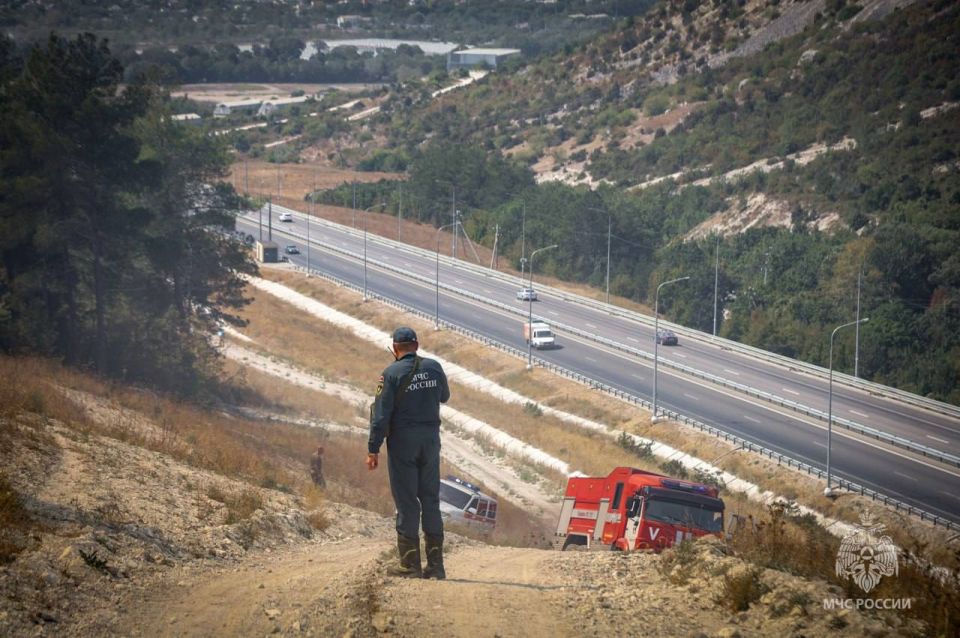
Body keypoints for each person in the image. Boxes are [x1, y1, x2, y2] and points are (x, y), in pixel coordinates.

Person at [367, 327, 450, 579]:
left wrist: (373, 449)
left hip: (403, 443)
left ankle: (409, 565)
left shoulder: (390, 374)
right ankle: (435, 566)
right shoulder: (434, 367)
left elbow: (381, 417)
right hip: (430, 441)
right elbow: (444, 396)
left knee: (407, 502)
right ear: (417, 344)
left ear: (395, 348)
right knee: (430, 500)